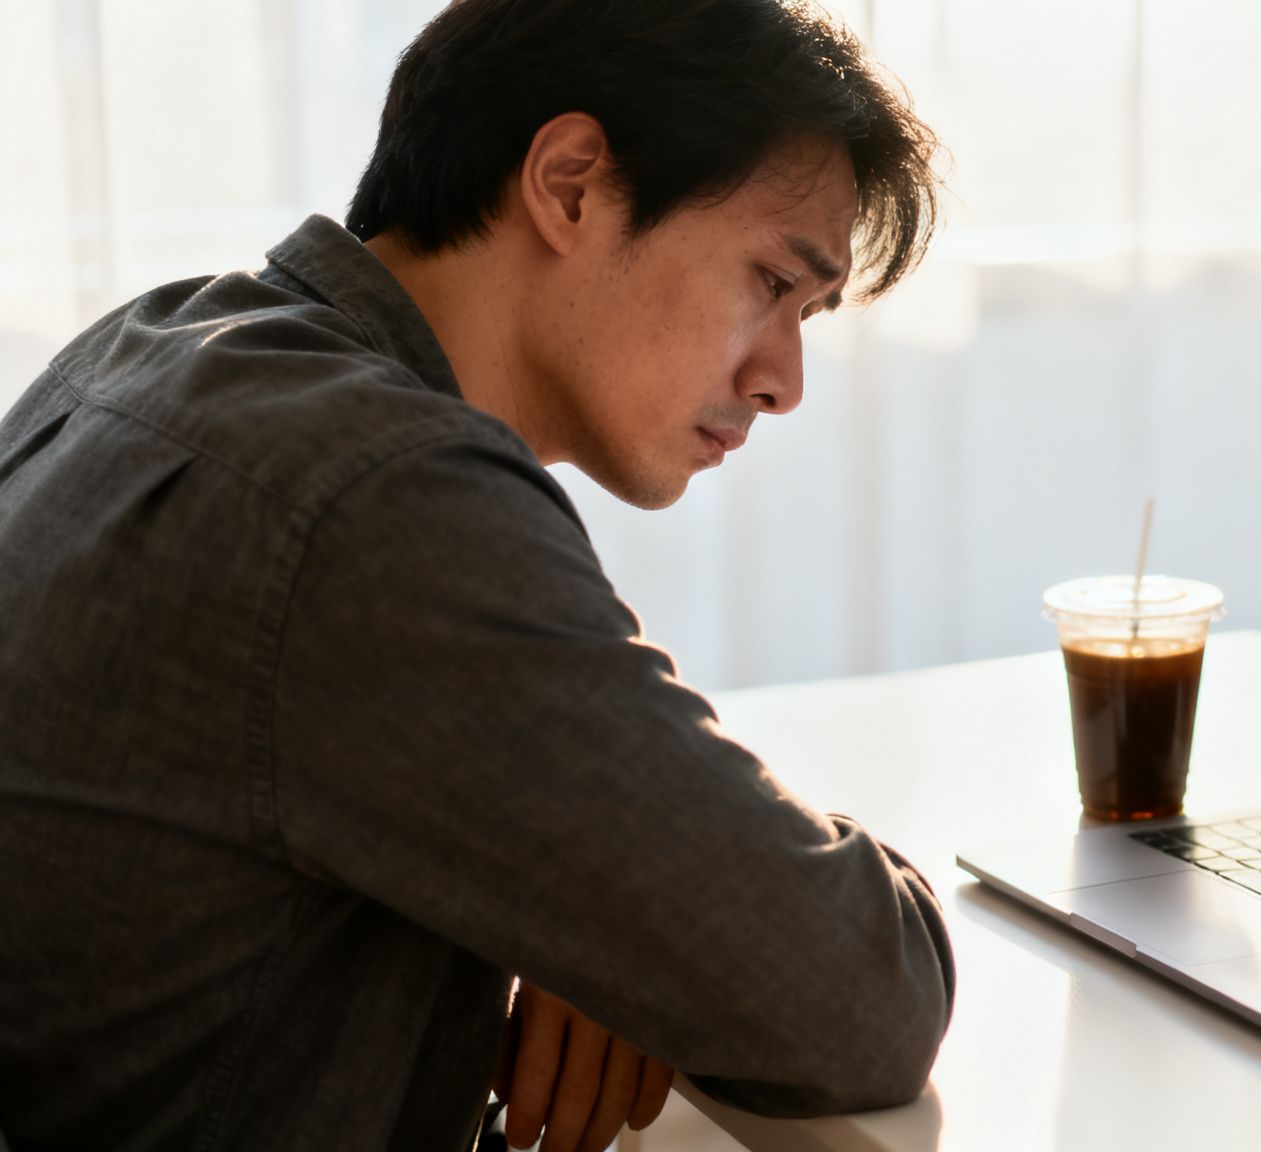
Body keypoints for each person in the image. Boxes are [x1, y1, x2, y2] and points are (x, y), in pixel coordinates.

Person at [0, 4, 954, 1150]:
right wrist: (646, 905)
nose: (782, 381)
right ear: (568, 186)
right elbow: (857, 991)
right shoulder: (376, 493)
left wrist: (603, 905)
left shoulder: (154, 348)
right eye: (768, 283)